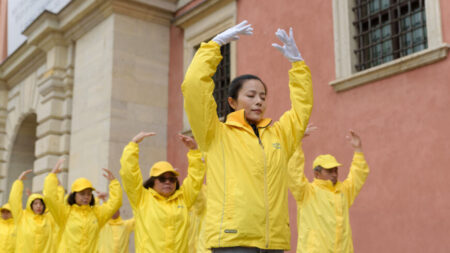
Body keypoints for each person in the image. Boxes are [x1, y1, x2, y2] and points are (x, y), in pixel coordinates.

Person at [181, 20, 313, 252]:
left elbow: (302, 109)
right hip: (233, 242)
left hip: (273, 242)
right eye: (251, 95)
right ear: (232, 102)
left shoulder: (280, 135)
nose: (259, 101)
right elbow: (193, 86)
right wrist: (214, 46)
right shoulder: (215, 134)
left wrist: (298, 65)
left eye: (263, 96)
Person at [119, 132, 206, 252]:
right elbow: (129, 174)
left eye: (172, 179)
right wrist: (133, 145)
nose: (168, 182)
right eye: (162, 179)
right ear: (153, 181)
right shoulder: (141, 198)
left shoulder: (184, 198)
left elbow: (195, 178)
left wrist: (194, 151)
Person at [288, 130, 369, 253]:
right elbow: (294, 171)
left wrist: (358, 150)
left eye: (335, 170)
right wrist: (297, 142)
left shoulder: (343, 191)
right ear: (316, 173)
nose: (334, 174)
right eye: (329, 171)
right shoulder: (306, 192)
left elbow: (358, 175)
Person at [43, 159, 122, 253]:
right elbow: (50, 197)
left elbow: (115, 203)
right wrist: (52, 175)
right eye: (82, 193)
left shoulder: (97, 214)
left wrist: (114, 183)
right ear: (74, 195)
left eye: (89, 194)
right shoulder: (64, 213)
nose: (86, 197)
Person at [8, 169, 62, 252]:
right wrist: (18, 182)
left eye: (41, 204)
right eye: (35, 204)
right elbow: (14, 200)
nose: (38, 206)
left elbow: (56, 202)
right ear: (31, 205)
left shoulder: (49, 219)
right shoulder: (22, 217)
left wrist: (58, 186)